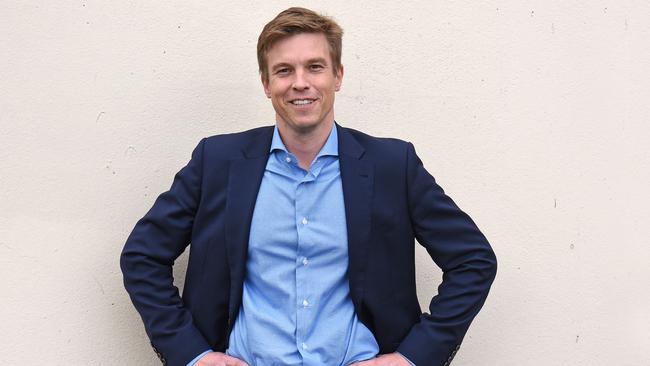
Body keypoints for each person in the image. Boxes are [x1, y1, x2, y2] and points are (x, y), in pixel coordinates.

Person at [120, 7, 497, 366]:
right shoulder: (217, 162)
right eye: (283, 70)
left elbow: (473, 261)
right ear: (267, 84)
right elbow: (142, 256)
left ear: (338, 76)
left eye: (314, 67)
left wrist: (414, 356)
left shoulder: (392, 166)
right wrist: (192, 354)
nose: (300, 82)